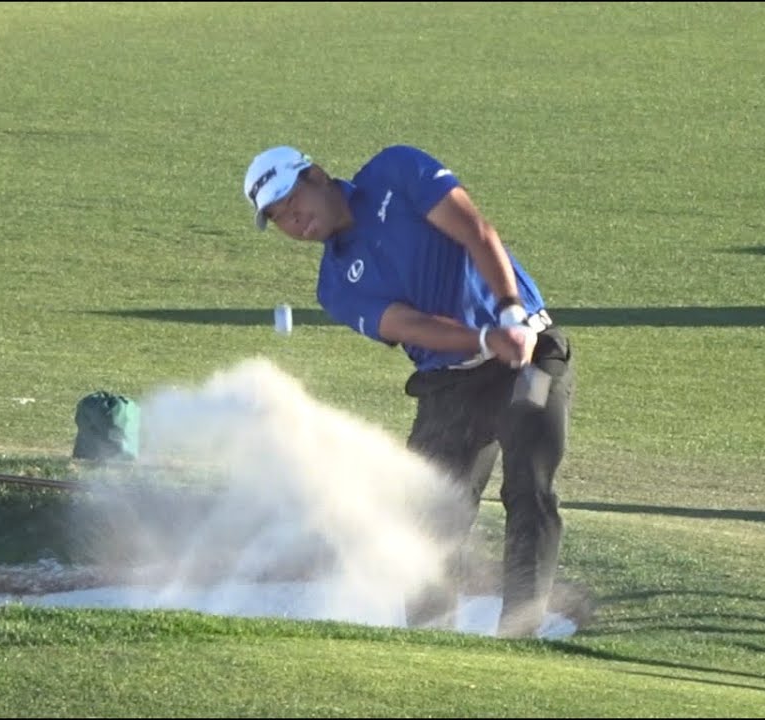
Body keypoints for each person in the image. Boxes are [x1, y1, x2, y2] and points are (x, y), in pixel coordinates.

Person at [241, 144, 574, 637]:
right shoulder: (334, 285)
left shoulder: (395, 171)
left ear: (315, 175)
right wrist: (485, 339)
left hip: (532, 354)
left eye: (293, 203)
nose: (294, 222)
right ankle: (429, 638)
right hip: (450, 383)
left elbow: (476, 231)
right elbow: (410, 324)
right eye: (279, 218)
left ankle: (519, 634)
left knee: (528, 483)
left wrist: (508, 315)